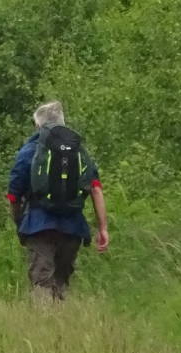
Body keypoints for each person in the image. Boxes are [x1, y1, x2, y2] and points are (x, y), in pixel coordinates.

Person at [7, 100, 109, 301]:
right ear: (62, 122)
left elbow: (13, 195)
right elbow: (96, 189)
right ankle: (60, 316)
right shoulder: (78, 151)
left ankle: (45, 319)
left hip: (39, 227)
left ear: (38, 125)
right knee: (61, 283)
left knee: (42, 283)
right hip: (73, 227)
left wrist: (19, 222)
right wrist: (103, 228)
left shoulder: (29, 151)